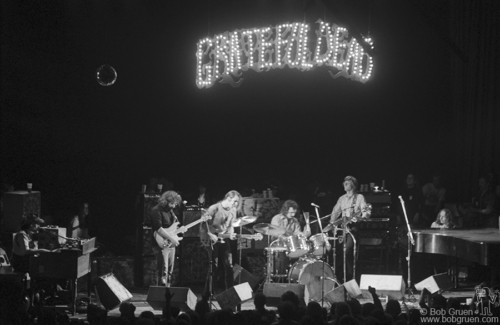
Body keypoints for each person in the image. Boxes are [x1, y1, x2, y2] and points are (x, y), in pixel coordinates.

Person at [323, 176, 371, 282]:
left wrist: (360, 218)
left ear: (353, 185)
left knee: (348, 251)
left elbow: (365, 212)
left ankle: (351, 276)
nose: (344, 184)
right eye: (344, 183)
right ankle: (338, 275)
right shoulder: (342, 198)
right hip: (341, 230)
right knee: (337, 252)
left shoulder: (359, 197)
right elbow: (335, 211)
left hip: (353, 230)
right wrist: (332, 224)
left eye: (347, 183)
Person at [200, 190, 242, 296]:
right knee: (213, 267)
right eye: (235, 201)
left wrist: (231, 233)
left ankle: (230, 292)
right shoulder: (214, 208)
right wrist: (210, 234)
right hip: (212, 240)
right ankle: (207, 294)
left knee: (229, 266)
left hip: (223, 239)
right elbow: (203, 224)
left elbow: (231, 225)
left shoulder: (233, 210)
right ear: (228, 199)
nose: (236, 204)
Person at [148, 190, 187, 286]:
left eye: (175, 204)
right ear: (165, 201)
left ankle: (167, 293)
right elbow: (159, 229)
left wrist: (179, 229)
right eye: (172, 204)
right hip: (160, 244)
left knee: (169, 271)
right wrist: (172, 238)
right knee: (162, 271)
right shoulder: (156, 210)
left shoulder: (171, 212)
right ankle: (159, 295)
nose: (174, 206)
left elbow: (172, 227)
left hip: (170, 243)